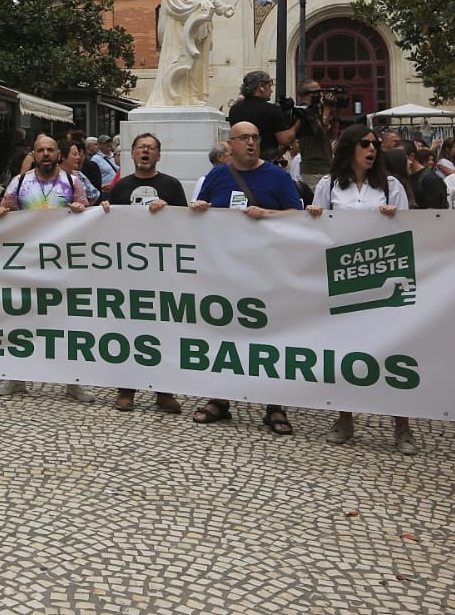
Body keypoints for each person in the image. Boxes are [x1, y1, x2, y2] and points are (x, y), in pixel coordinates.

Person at [307, 124, 419, 454]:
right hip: (345, 278)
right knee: (347, 351)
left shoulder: (391, 186)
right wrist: (314, 214)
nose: (372, 149)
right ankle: (344, 417)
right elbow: (317, 232)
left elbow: (410, 230)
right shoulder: (329, 186)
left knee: (395, 351)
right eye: (365, 144)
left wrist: (394, 218)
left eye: (375, 145)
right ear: (349, 148)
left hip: (382, 273)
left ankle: (402, 425)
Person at [187, 120, 305, 435]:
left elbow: (298, 216)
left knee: (270, 338)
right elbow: (200, 213)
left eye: (255, 137)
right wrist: (198, 209)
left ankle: (274, 406)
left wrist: (267, 214)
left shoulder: (278, 177)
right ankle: (220, 399)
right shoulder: (217, 176)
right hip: (226, 272)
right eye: (244, 138)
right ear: (231, 144)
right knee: (225, 335)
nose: (251, 142)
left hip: (268, 273)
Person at [0, 134, 94, 403]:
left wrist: (80, 208)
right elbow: (5, 210)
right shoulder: (20, 181)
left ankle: (74, 382)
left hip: (64, 266)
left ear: (58, 154)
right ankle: (16, 378)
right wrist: (1, 212)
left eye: (50, 150)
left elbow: (87, 212)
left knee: (69, 322)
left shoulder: (73, 181)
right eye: (40, 150)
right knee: (21, 320)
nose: (45, 154)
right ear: (33, 155)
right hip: (27, 263)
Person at [103, 133, 189, 415]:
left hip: (161, 272)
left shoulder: (171, 186)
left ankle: (164, 392)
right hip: (127, 273)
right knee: (129, 331)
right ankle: (126, 389)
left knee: (162, 332)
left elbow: (185, 225)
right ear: (133, 154)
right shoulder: (121, 187)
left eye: (151, 148)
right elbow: (108, 224)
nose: (145, 152)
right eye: (141, 147)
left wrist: (170, 211)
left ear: (158, 156)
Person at [227, 71, 298, 164]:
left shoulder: (234, 109)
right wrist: (297, 124)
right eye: (269, 86)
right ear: (261, 87)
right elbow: (284, 140)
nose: (271, 90)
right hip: (266, 161)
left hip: (241, 161)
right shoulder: (271, 109)